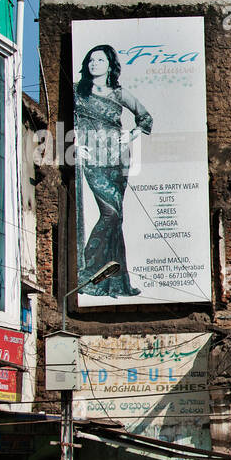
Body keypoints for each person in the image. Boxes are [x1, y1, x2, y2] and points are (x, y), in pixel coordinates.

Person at [73, 43, 152, 298]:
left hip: (118, 160)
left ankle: (114, 282)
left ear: (109, 65)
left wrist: (131, 134)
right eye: (91, 60)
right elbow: (68, 121)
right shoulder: (77, 92)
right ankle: (89, 270)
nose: (94, 64)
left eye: (99, 60)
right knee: (111, 215)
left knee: (116, 218)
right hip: (92, 160)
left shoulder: (119, 94)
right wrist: (74, 143)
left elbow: (145, 117)